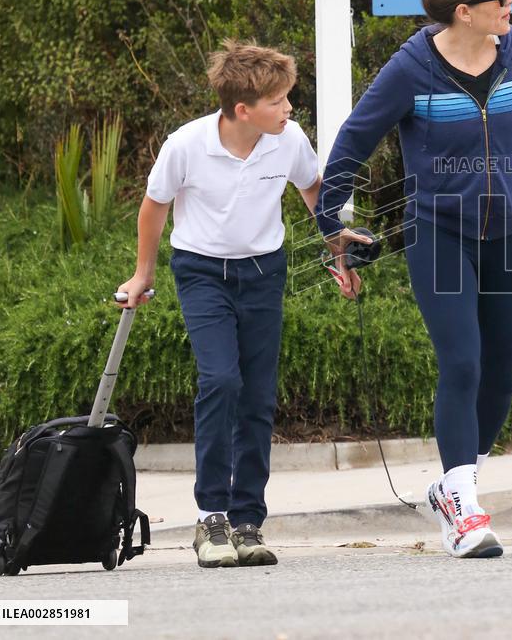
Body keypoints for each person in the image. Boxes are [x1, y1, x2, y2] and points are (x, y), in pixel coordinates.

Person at [316, 0, 512, 558]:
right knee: (463, 363)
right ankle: (465, 510)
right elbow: (353, 143)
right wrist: (329, 224)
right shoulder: (412, 68)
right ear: (464, 12)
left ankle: (452, 486)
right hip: (437, 233)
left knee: (503, 374)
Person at [117, 39, 360, 568]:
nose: (290, 108)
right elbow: (155, 206)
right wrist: (143, 272)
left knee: (257, 395)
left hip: (264, 271)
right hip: (202, 271)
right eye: (279, 101)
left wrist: (338, 250)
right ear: (243, 109)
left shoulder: (288, 139)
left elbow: (314, 191)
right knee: (221, 380)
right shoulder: (186, 145)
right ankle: (211, 517)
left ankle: (248, 520)